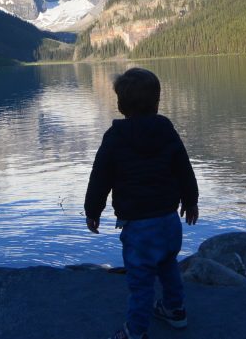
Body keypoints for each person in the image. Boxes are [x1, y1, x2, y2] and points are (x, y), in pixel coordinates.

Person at [84, 67, 199, 339]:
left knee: (141, 281)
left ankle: (135, 332)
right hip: (169, 221)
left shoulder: (114, 138)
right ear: (157, 103)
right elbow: (184, 168)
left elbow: (100, 177)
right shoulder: (167, 130)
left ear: (121, 105)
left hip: (138, 226)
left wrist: (93, 210)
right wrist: (191, 201)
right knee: (169, 264)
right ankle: (175, 310)